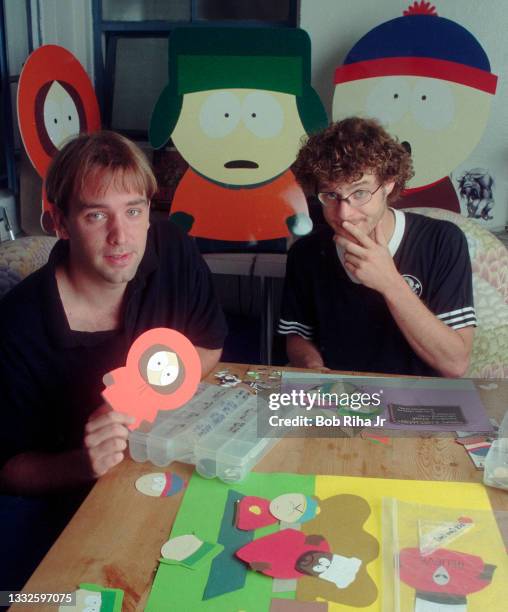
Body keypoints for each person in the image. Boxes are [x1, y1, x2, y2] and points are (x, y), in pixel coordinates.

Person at [0, 131, 227, 496]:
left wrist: (141, 400)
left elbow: (208, 344)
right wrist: (82, 464)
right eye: (96, 215)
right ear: (60, 222)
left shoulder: (172, 249)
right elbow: (9, 469)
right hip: (81, 499)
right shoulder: (16, 326)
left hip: (168, 461)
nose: (121, 236)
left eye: (133, 211)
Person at [277, 117, 475, 377]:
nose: (345, 214)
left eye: (359, 193)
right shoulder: (306, 253)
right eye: (331, 196)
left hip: (418, 402)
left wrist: (389, 282)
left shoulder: (442, 240)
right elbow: (298, 336)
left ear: (389, 182)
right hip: (339, 397)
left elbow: (455, 365)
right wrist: (314, 368)